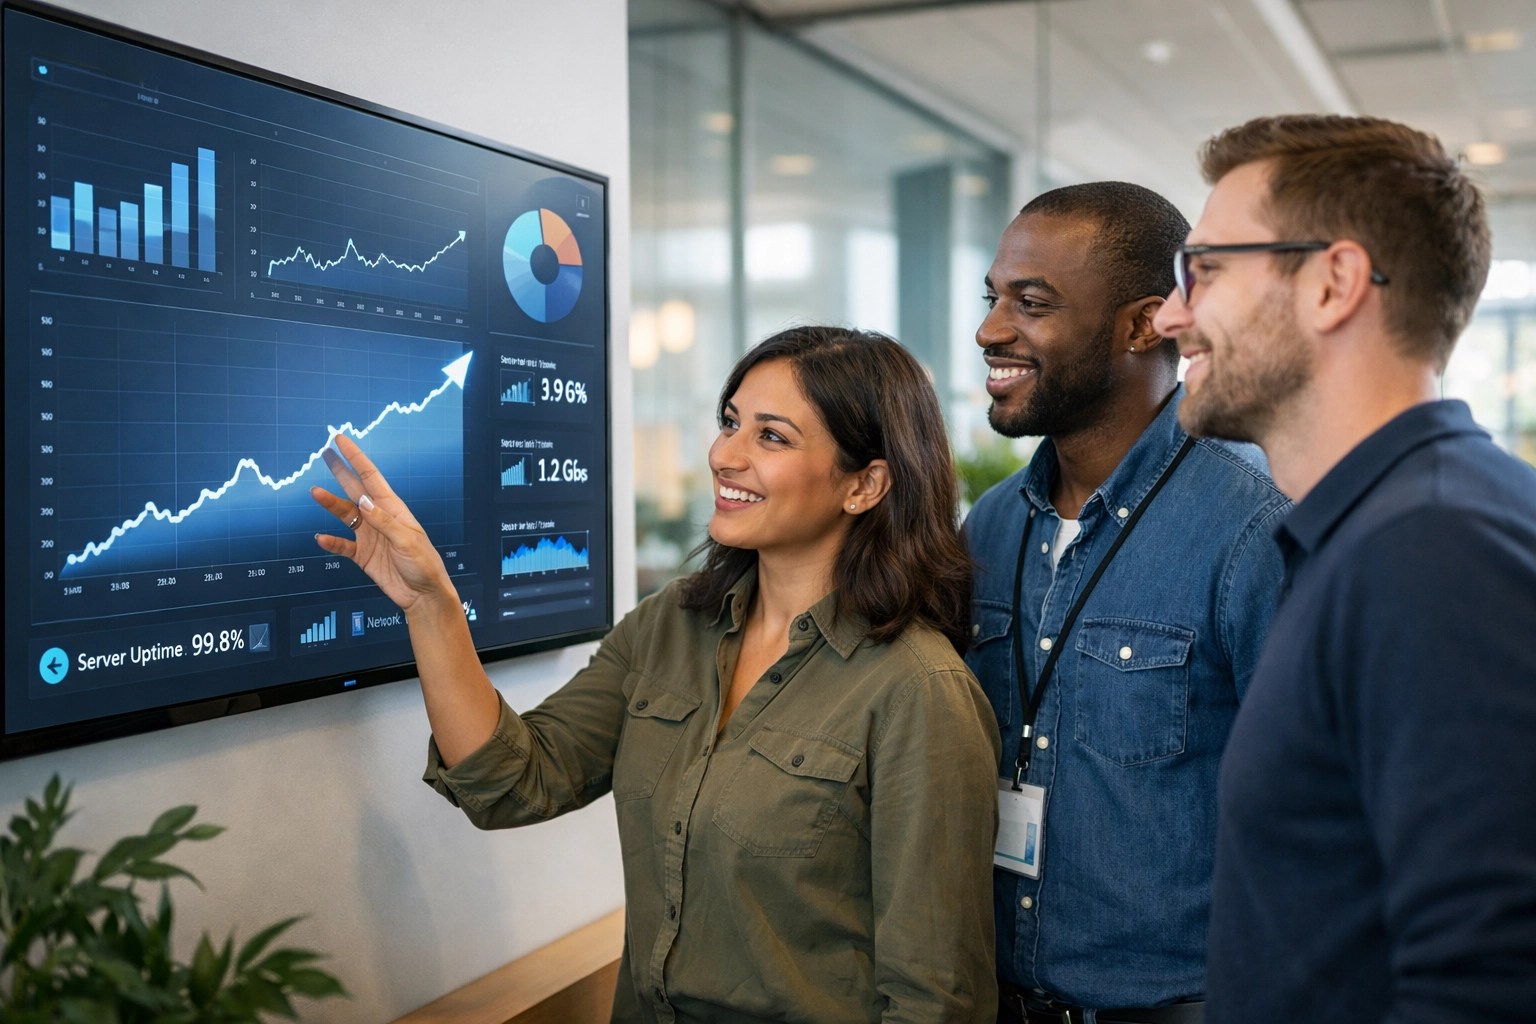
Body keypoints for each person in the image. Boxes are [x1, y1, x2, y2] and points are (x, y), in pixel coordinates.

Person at [310, 326, 1002, 1023]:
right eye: (730, 422)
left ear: (864, 484)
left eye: (771, 436)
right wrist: (431, 604)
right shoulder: (670, 624)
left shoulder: (920, 691)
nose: (724, 455)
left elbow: (935, 1000)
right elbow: (513, 783)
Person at [1152, 115, 1536, 1023]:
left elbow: (1488, 980)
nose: (1169, 314)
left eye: (1204, 270)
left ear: (1333, 284)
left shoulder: (1433, 549)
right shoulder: (1387, 526)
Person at [963, 182, 1290, 1023]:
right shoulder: (990, 527)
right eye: (992, 298)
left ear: (1145, 324)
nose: (991, 329)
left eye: (1031, 303)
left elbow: (1323, 819)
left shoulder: (1254, 526)